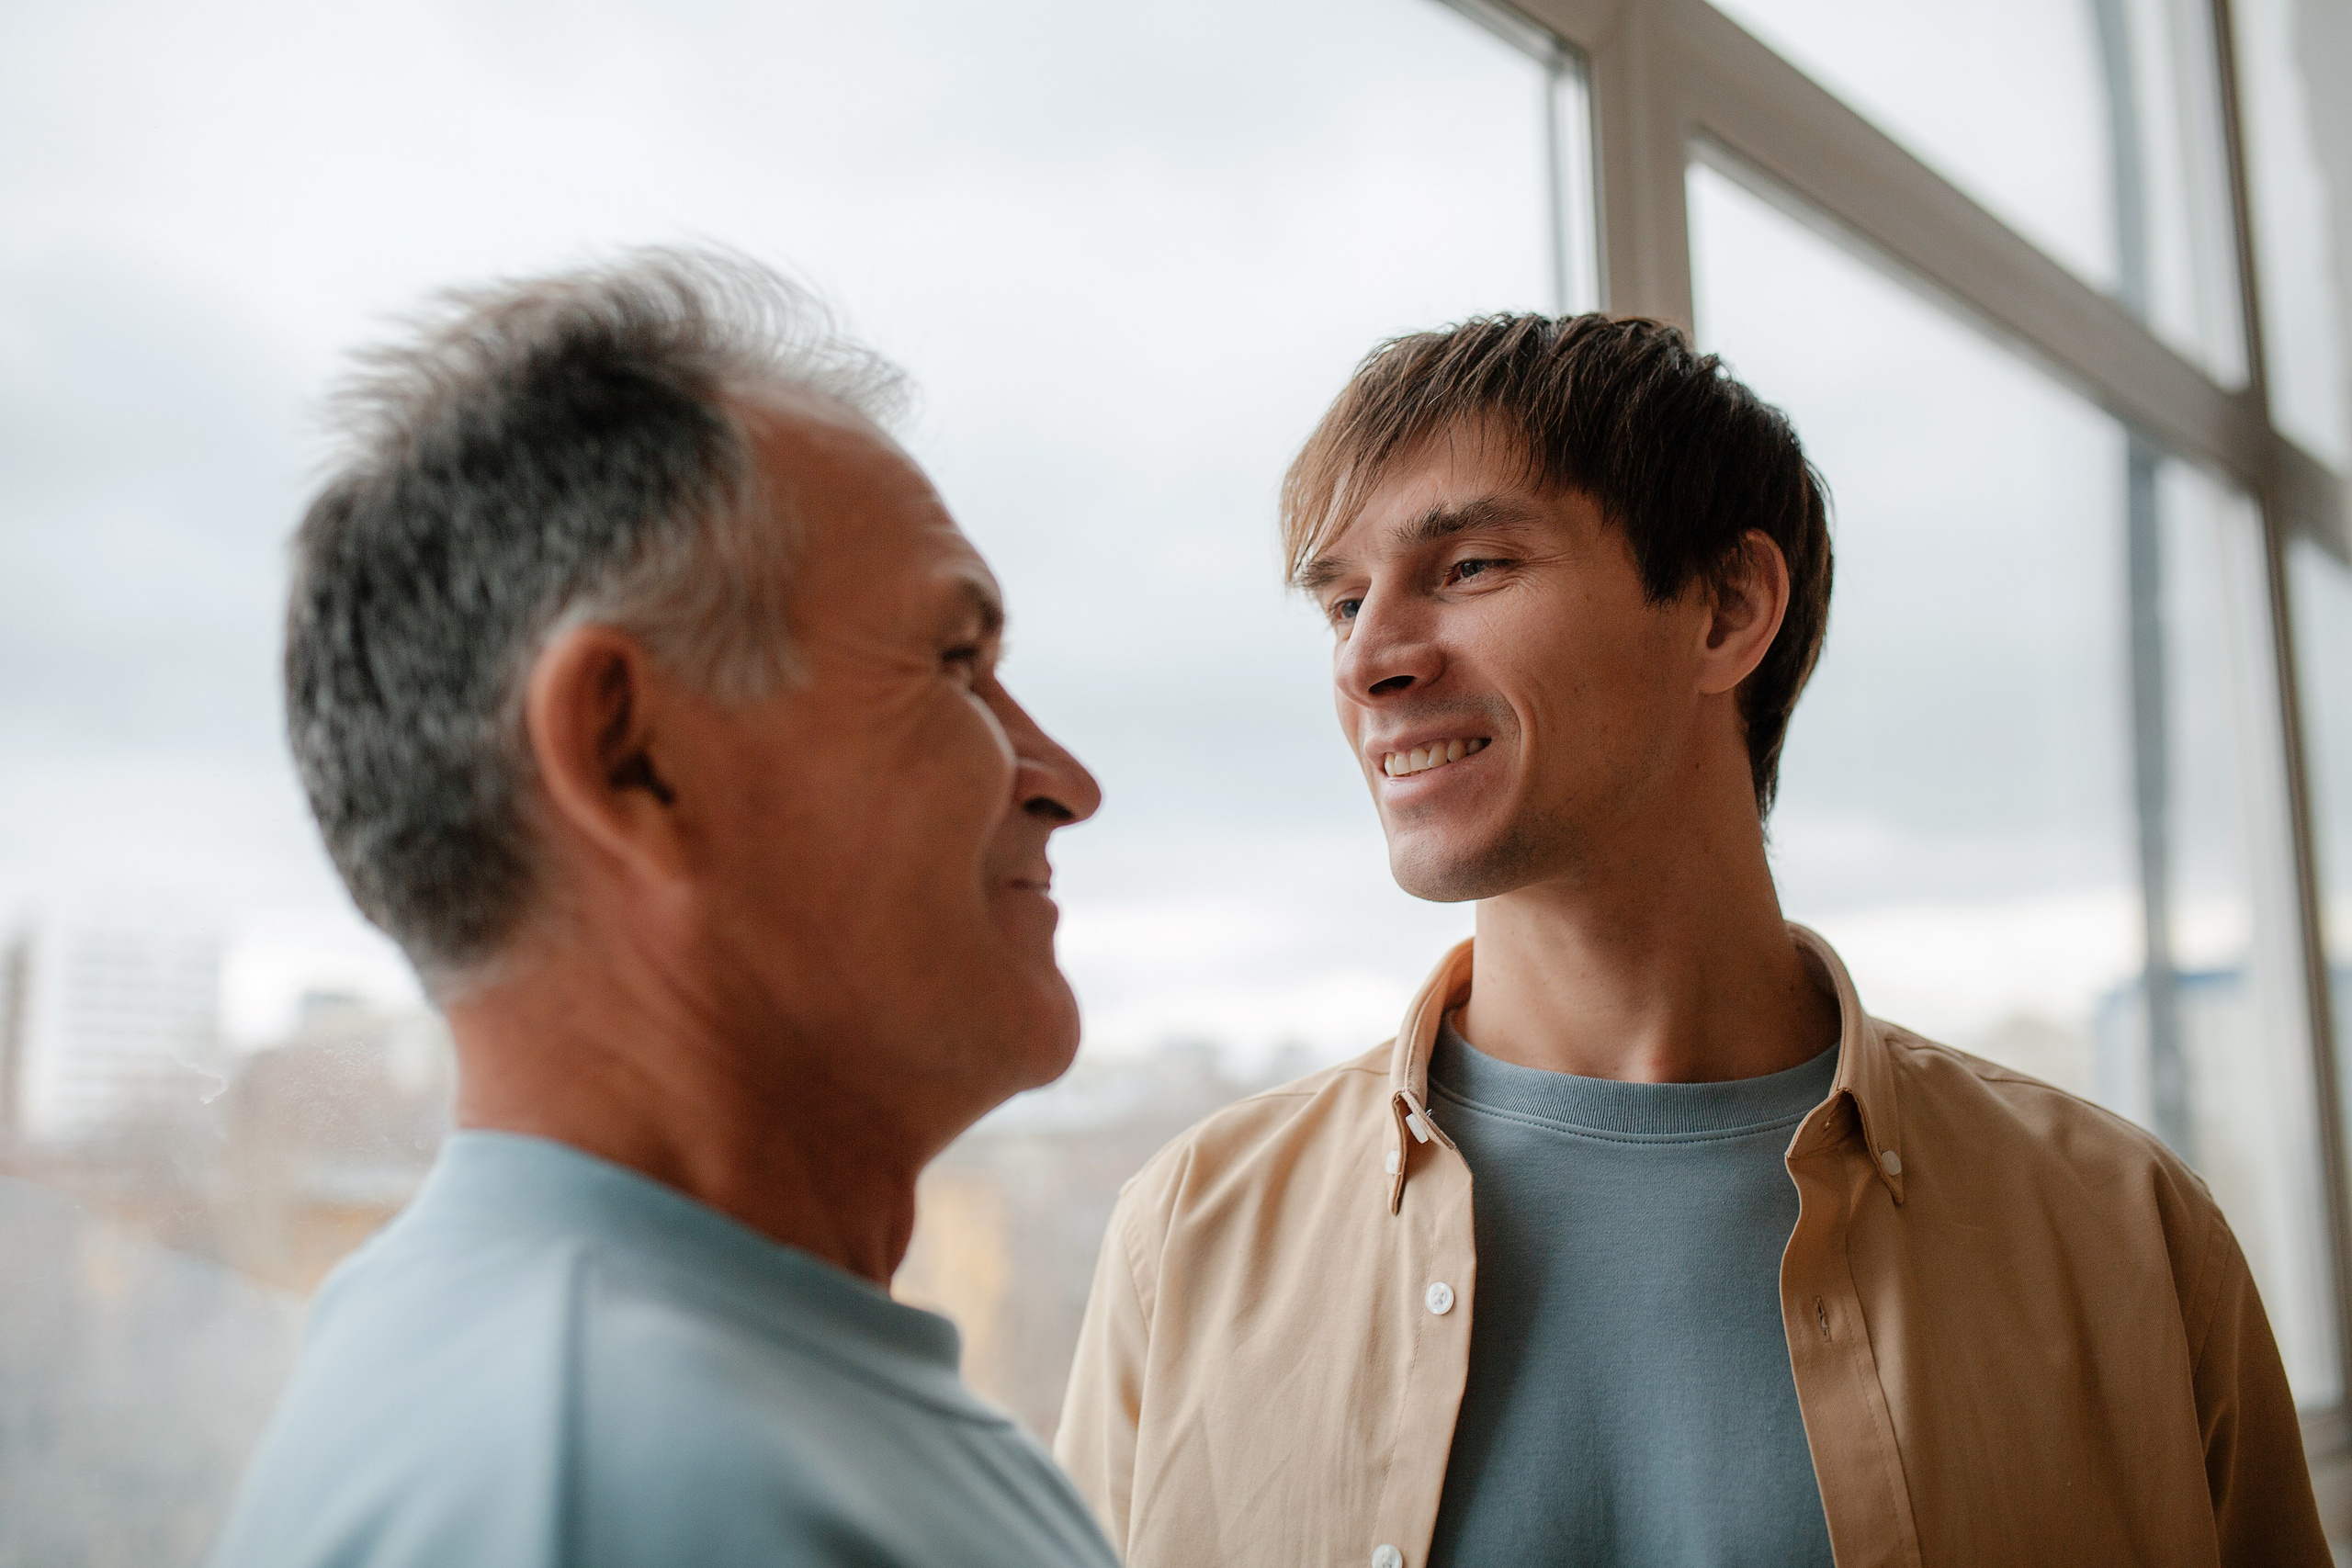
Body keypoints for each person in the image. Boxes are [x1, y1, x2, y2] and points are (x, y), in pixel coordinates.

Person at [1054, 313, 2329, 1567]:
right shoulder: (1190, 1236)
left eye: (1469, 568)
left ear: (1726, 608)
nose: (1370, 659)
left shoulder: (2124, 1231)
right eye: (1340, 602)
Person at [210, 251, 1116, 1568]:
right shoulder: (616, 1490)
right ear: (630, 752)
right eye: (954, 662)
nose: (1066, 784)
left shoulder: (678, 1392)